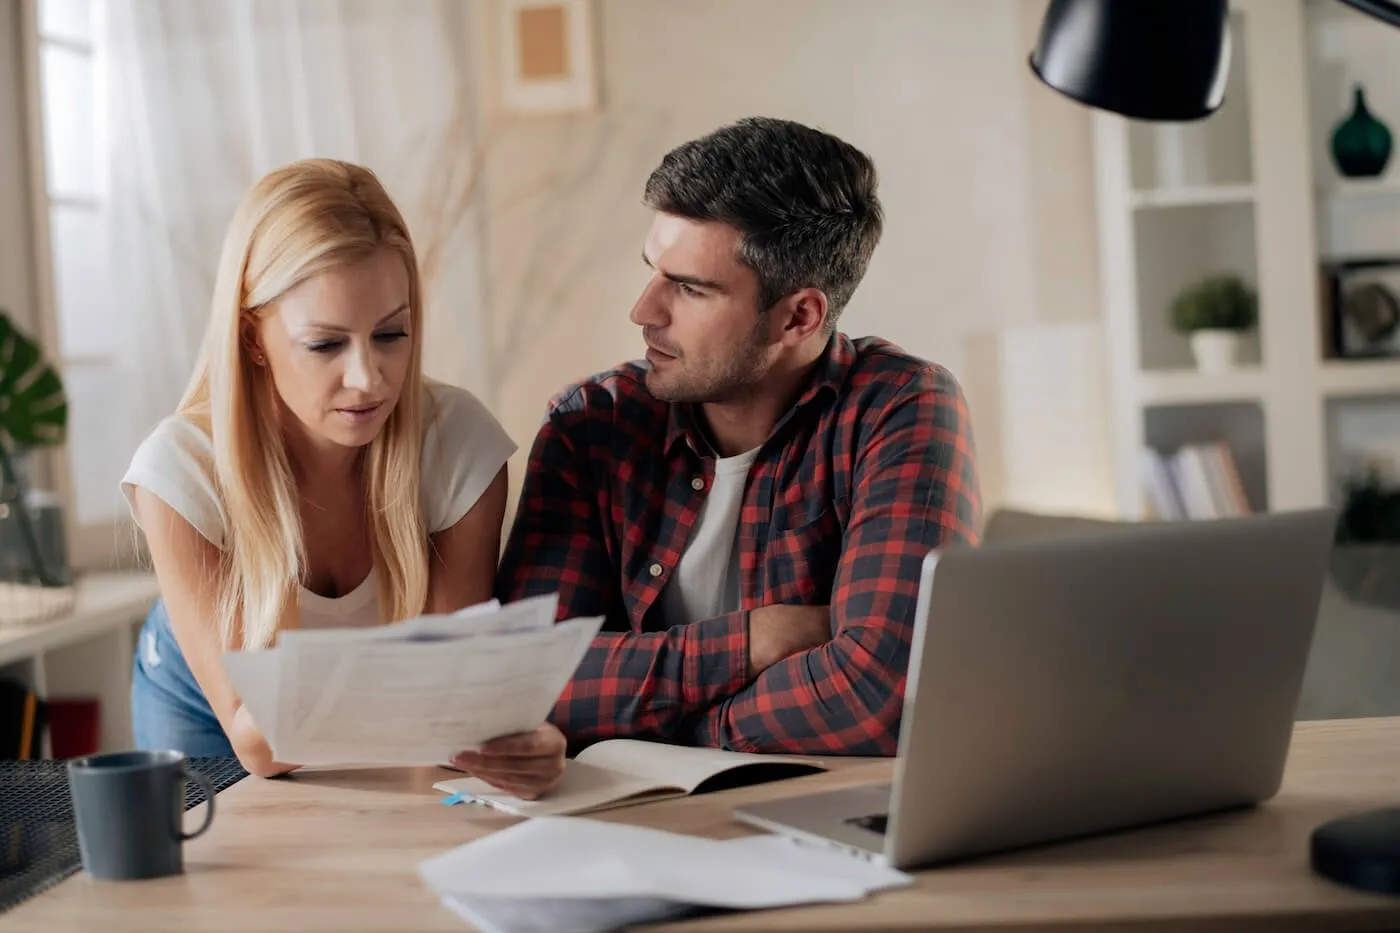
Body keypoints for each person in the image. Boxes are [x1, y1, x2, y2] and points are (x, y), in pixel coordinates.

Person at [497, 116, 982, 757]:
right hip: (624, 824)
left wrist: (680, 731)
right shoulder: (591, 424)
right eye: (654, 271)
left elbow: (884, 693)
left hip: (815, 826)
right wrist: (752, 641)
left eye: (691, 288)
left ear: (798, 316)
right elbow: (520, 681)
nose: (643, 310)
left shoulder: (901, 410)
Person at [123, 158, 566, 797]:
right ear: (252, 338)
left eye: (392, 334)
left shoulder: (457, 443)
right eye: (326, 345)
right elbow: (264, 746)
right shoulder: (181, 470)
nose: (369, 378)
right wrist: (435, 698)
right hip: (202, 707)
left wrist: (514, 739)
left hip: (351, 719)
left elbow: (455, 707)